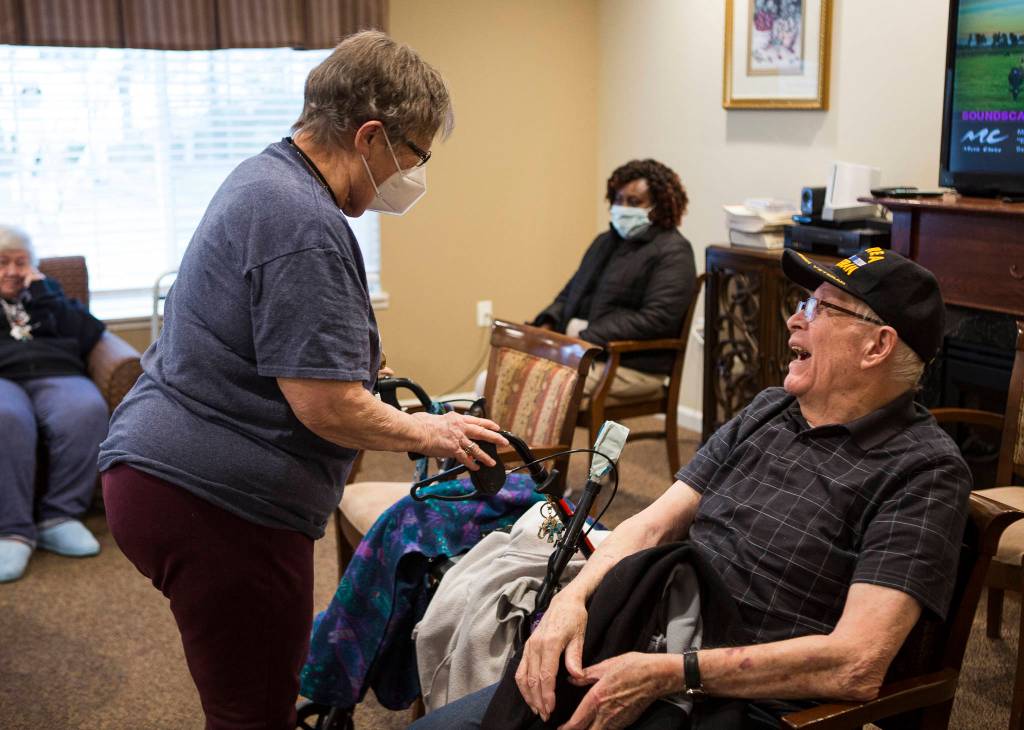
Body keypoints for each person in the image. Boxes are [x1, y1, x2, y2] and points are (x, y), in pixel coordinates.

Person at [98, 31, 507, 730]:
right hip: (217, 502)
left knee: (244, 693)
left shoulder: (266, 178)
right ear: (372, 136)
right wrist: (429, 431)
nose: (415, 175)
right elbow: (324, 405)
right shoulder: (303, 220)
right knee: (253, 711)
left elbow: (277, 344)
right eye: (415, 156)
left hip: (166, 474)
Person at [411, 247, 971, 729]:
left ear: (877, 347)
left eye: (821, 308)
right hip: (648, 640)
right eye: (804, 303)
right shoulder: (770, 410)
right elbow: (654, 522)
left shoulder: (923, 471)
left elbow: (856, 661)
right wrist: (569, 601)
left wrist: (671, 675)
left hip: (743, 706)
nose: (795, 320)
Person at [531, 159, 695, 404]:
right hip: (585, 351)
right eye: (618, 200)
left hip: (631, 364)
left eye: (634, 202)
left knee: (531, 385)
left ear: (659, 207)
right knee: (496, 376)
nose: (622, 207)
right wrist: (547, 323)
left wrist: (587, 336)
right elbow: (569, 294)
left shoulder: (674, 251)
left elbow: (657, 318)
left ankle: (527, 444)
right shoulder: (604, 242)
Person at [0, 225, 108, 583]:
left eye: (21, 262)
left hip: (56, 372)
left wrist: (46, 294)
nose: (13, 271)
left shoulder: (48, 293)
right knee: (7, 417)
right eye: (2, 263)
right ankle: (12, 530)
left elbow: (90, 332)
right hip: (3, 378)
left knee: (86, 409)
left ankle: (59, 518)